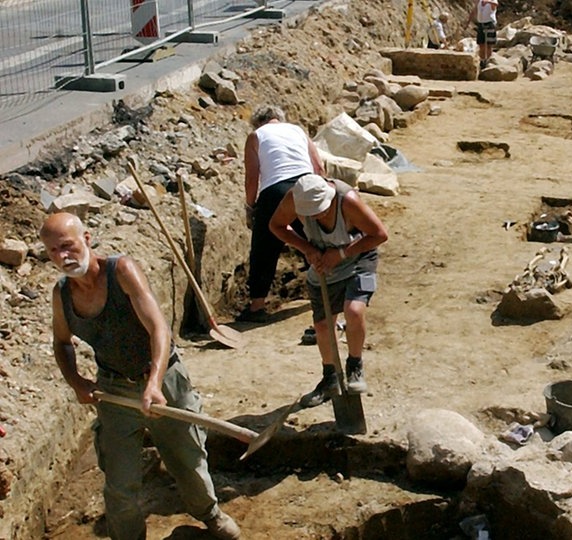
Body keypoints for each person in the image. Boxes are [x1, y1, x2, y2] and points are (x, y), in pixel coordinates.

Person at [40, 212, 240, 540]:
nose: (63, 257)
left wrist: (154, 384)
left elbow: (158, 329)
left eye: (68, 246)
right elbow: (62, 343)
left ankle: (210, 514)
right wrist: (77, 383)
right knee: (120, 486)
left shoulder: (121, 271)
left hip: (164, 379)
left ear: (86, 239)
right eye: (53, 251)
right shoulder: (62, 295)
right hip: (114, 389)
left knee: (187, 460)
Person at [269, 175, 388, 407]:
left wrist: (342, 254)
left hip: (358, 257)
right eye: (310, 213)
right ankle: (330, 378)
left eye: (319, 211)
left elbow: (379, 235)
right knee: (323, 326)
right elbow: (275, 225)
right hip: (323, 260)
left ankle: (355, 366)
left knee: (353, 311)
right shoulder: (294, 198)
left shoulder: (348, 202)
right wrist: (306, 248)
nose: (314, 217)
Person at [240, 104, 325, 323]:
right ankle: (328, 291)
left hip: (275, 191)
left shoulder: (255, 136)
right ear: (279, 118)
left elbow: (252, 178)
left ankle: (257, 305)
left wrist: (251, 208)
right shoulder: (297, 130)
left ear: (259, 122)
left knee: (264, 247)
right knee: (314, 238)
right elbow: (319, 166)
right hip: (306, 184)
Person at [468, 0, 498, 69]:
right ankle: (482, 60)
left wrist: (487, 2)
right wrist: (468, 21)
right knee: (481, 43)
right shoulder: (479, 1)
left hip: (489, 23)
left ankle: (488, 60)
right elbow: (474, 10)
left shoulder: (492, 0)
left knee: (489, 44)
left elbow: (495, 4)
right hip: (481, 24)